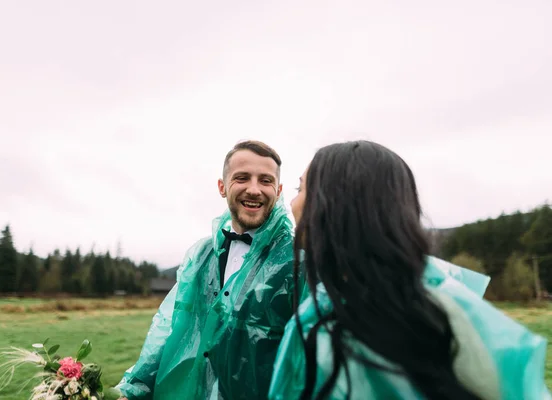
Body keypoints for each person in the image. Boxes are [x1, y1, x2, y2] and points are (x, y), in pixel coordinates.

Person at [268, 140, 550, 399]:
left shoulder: (329, 323)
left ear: (333, 205)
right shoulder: (449, 306)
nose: (292, 204)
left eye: (300, 189)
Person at [116, 140, 303, 400]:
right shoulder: (202, 255)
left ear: (279, 189)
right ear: (222, 187)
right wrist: (134, 390)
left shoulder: (297, 263)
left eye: (265, 180)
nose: (254, 189)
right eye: (242, 178)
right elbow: (170, 328)